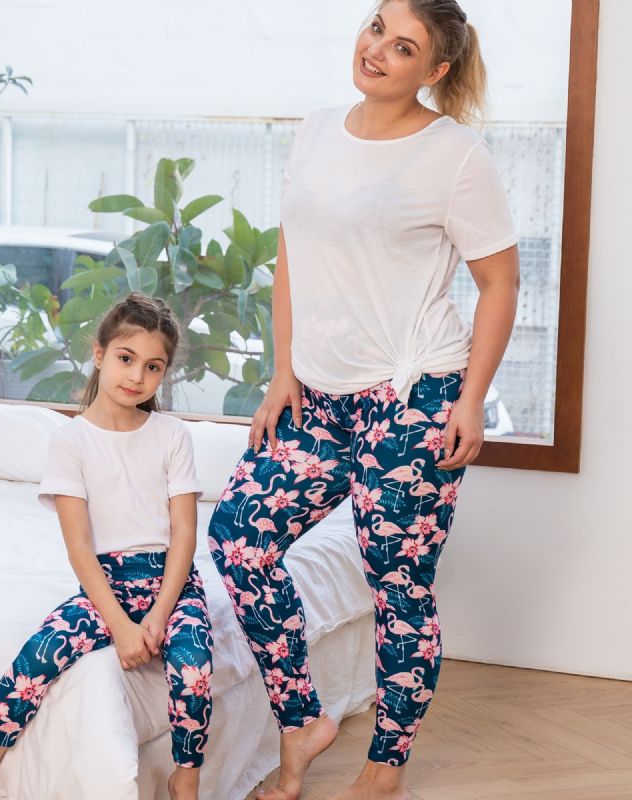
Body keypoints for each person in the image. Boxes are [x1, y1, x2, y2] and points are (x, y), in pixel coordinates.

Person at [207, 1, 520, 799]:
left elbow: (499, 282)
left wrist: (472, 399)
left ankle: (385, 765)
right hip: (317, 396)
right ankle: (302, 717)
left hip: (414, 396)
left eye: (402, 45)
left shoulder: (455, 156)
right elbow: (292, 253)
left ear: (435, 70)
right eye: (376, 26)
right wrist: (283, 370)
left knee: (397, 582)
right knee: (239, 537)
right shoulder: (316, 131)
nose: (376, 48)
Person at [0, 292, 213, 800]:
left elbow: (184, 534)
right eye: (126, 358)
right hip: (107, 583)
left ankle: (185, 779)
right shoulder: (71, 441)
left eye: (153, 366)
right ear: (99, 354)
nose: (136, 376)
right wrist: (120, 626)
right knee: (37, 657)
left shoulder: (172, 435)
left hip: (173, 584)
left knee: (194, 672)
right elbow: (79, 546)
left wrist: (161, 613)